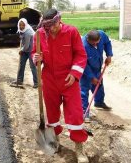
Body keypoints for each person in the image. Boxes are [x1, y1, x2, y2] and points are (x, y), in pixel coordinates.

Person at [32, 9, 89, 163]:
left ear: (59, 20)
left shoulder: (71, 32)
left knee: (75, 113)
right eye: (48, 26)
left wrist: (75, 73)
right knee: (51, 113)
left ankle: (79, 148)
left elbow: (80, 54)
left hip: (69, 79)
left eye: (55, 24)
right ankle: (54, 140)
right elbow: (34, 54)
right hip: (49, 78)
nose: (52, 29)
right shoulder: (39, 35)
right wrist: (37, 58)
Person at [80, 30, 113, 120]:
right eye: (93, 43)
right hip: (86, 71)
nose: (95, 45)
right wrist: (91, 77)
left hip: (97, 68)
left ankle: (99, 102)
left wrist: (109, 55)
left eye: (97, 43)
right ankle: (84, 112)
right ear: (88, 39)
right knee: (84, 91)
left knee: (99, 86)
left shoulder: (101, 35)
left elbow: (107, 43)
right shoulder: (82, 46)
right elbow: (83, 64)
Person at [11, 18, 38, 88]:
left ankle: (36, 82)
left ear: (25, 25)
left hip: (31, 50)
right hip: (25, 50)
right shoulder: (21, 30)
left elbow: (26, 45)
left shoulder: (28, 32)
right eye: (20, 25)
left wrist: (21, 50)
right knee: (21, 64)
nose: (21, 27)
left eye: (23, 25)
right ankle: (19, 80)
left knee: (32, 66)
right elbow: (23, 40)